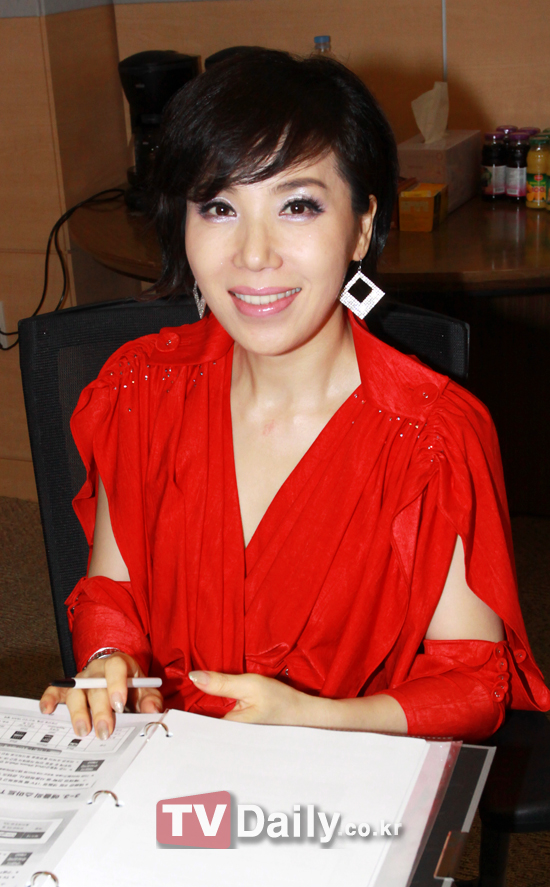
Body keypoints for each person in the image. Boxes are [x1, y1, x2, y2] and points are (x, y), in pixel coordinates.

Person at [40, 49, 549, 743]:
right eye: (220, 207)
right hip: (167, 763)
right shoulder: (140, 389)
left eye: (298, 205)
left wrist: (317, 717)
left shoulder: (433, 438)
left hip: (335, 772)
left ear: (362, 226)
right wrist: (109, 659)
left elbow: (474, 681)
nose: (254, 254)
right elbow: (112, 591)